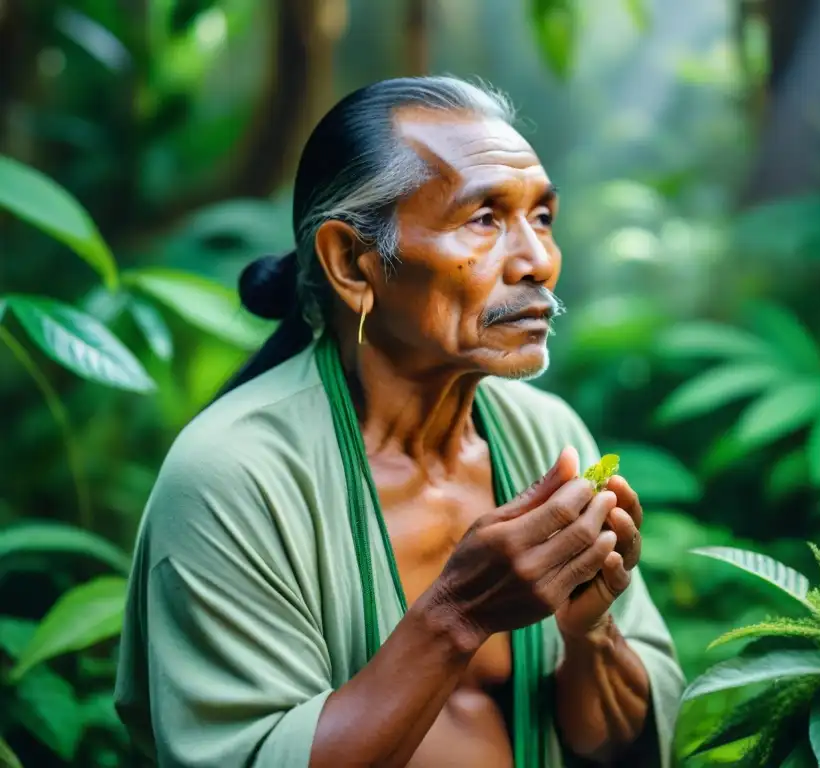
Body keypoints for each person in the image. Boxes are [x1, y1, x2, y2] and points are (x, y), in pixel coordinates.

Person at [114, 75, 684, 768]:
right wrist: (459, 614)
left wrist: (590, 631)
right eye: (485, 219)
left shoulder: (547, 438)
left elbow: (620, 750)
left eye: (541, 217)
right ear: (353, 263)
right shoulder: (234, 478)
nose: (538, 262)